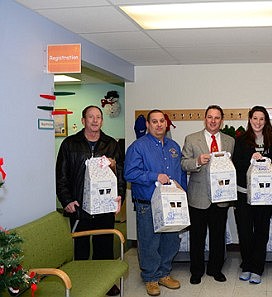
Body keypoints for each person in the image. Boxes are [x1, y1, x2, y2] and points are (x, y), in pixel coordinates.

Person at [56, 105, 125, 296]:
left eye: (98, 117)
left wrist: (119, 198)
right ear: (83, 120)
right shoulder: (70, 144)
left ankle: (107, 282)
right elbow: (61, 176)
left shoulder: (111, 144)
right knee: (81, 248)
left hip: (104, 206)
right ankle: (82, 283)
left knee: (104, 246)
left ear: (102, 121)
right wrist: (67, 200)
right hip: (80, 206)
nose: (95, 121)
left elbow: (119, 175)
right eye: (91, 117)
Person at [124, 109, 187, 296]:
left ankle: (164, 273)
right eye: (154, 121)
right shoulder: (137, 147)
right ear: (148, 125)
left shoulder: (173, 146)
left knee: (171, 240)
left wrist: (183, 192)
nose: (159, 124)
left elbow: (181, 173)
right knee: (149, 241)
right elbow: (129, 173)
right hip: (147, 203)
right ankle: (150, 277)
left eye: (162, 121)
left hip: (172, 202)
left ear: (166, 124)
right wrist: (154, 176)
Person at [181, 105, 235, 285]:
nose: (213, 121)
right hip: (198, 196)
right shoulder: (191, 139)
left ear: (222, 120)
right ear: (205, 119)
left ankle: (215, 269)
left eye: (217, 117)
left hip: (221, 197)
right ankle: (196, 271)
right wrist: (196, 161)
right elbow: (183, 164)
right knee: (197, 237)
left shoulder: (229, 141)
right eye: (210, 117)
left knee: (218, 236)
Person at [232, 106, 272, 284]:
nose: (258, 122)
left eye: (262, 119)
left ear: (266, 121)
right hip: (244, 194)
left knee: (261, 232)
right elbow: (236, 164)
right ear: (250, 120)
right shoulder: (241, 140)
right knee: (245, 232)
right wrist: (250, 159)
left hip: (265, 197)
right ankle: (246, 265)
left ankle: (257, 268)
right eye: (255, 118)